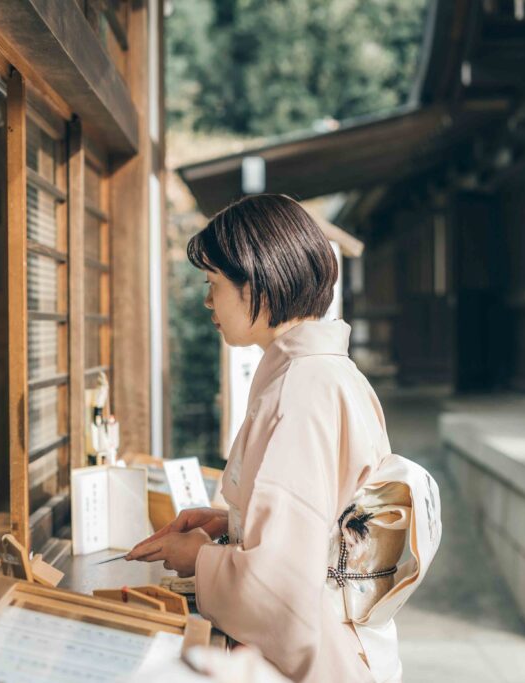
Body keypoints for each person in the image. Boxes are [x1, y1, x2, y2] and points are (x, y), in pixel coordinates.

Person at [126, 194, 400, 683]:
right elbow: (319, 522)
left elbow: (280, 589)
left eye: (214, 284)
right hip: (351, 644)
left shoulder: (303, 387)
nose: (208, 301)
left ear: (259, 285)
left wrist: (198, 559)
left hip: (325, 653)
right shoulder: (327, 374)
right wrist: (229, 522)